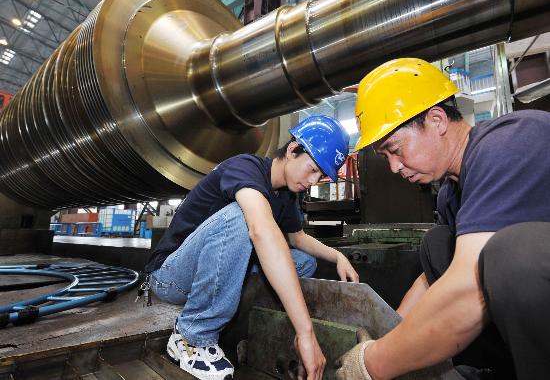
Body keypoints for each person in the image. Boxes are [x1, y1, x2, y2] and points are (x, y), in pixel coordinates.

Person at [335, 58, 550, 380]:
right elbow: (431, 281)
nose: (394, 167)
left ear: (436, 120)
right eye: (385, 157)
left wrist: (373, 365)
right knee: (437, 245)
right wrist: (388, 336)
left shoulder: (511, 141)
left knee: (513, 253)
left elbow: (467, 289)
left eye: (396, 149)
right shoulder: (451, 192)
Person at [144, 115, 359, 380]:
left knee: (304, 262)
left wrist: (337, 256)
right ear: (292, 150)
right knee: (241, 216)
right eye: (313, 169)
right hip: (170, 276)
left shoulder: (287, 195)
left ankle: (232, 305)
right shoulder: (245, 168)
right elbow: (261, 230)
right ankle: (191, 337)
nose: (314, 182)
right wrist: (305, 332)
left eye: (321, 175)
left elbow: (297, 238)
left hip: (211, 267)